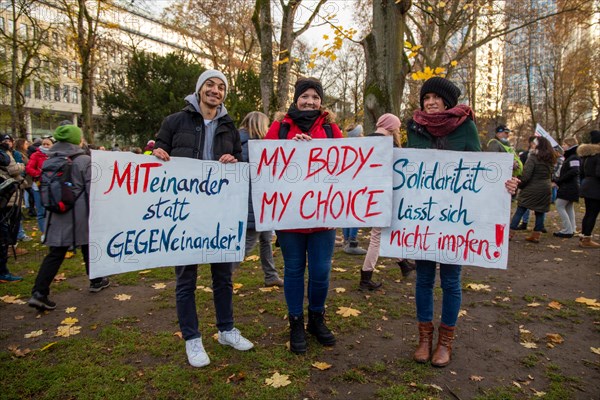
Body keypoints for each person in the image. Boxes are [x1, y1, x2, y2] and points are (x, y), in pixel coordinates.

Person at [406, 77, 518, 368]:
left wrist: (503, 184)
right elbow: (405, 170)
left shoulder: (464, 126)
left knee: (451, 280)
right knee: (424, 279)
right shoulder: (414, 126)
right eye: (425, 97)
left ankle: (445, 342)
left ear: (447, 101)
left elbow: (481, 170)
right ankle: (424, 339)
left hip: (456, 218)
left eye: (435, 97)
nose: (430, 102)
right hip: (424, 217)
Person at [153, 69, 253, 368]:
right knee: (186, 279)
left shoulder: (230, 127)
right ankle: (192, 339)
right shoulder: (175, 121)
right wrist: (157, 153)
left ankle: (226, 330)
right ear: (199, 90)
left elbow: (238, 162)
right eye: (210, 85)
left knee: (223, 277)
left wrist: (234, 160)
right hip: (184, 214)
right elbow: (159, 151)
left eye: (221, 87)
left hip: (219, 213)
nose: (215, 90)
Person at [265, 77, 343, 354]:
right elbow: (266, 162)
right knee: (295, 271)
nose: (310, 101)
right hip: (290, 216)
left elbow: (345, 166)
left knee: (321, 271)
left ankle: (317, 318)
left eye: (315, 97)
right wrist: (290, 150)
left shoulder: (332, 129)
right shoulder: (281, 127)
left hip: (324, 217)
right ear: (296, 99)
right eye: (305, 96)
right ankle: (296, 321)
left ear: (321, 101)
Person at [27, 125, 111, 310]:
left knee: (56, 253)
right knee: (88, 244)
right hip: (78, 213)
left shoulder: (49, 159)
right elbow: (92, 190)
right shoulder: (84, 160)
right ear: (76, 140)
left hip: (55, 213)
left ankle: (40, 291)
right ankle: (94, 281)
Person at [359, 113, 414, 291]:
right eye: (397, 127)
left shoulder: (366, 141)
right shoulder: (388, 145)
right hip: (384, 195)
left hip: (369, 194)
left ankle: (403, 264)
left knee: (388, 231)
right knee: (376, 236)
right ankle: (365, 278)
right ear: (392, 127)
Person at [236, 111, 283, 287]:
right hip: (254, 204)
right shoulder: (253, 147)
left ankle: (271, 276)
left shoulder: (239, 143)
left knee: (265, 240)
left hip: (259, 203)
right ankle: (223, 277)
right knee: (247, 244)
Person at [509, 136, 557, 243]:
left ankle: (509, 234)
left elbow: (526, 175)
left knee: (520, 210)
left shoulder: (533, 157)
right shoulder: (551, 158)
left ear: (538, 145)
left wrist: (519, 184)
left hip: (532, 188)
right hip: (545, 187)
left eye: (534, 143)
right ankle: (536, 236)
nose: (532, 145)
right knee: (540, 212)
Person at [341, 124, 368, 255]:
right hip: (357, 184)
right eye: (361, 133)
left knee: (346, 212)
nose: (363, 135)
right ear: (357, 135)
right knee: (356, 212)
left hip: (345, 185)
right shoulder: (360, 148)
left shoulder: (345, 148)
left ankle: (346, 240)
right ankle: (352, 241)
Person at [0, 136, 24, 282]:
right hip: (4, 200)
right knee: (3, 235)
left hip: (5, 199)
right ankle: (2, 272)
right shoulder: (5, 155)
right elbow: (13, 167)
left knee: (5, 231)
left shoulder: (8, 153)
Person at [577, 130, 600, 248]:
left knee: (588, 213)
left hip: (587, 185)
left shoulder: (587, 156)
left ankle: (583, 236)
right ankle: (587, 238)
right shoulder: (598, 155)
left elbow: (581, 172)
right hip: (596, 187)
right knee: (592, 213)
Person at [553, 137, 580, 238]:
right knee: (569, 208)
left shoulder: (573, 157)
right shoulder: (572, 157)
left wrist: (560, 180)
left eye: (564, 144)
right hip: (571, 186)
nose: (563, 146)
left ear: (569, 144)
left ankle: (567, 230)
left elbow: (574, 171)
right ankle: (572, 228)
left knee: (559, 205)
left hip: (569, 186)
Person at [25, 138, 53, 234]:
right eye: (44, 144)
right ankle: (44, 232)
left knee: (50, 210)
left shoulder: (55, 155)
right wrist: (38, 174)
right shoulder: (36, 155)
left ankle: (51, 231)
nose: (45, 146)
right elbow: (29, 168)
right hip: (38, 185)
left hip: (52, 186)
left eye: (47, 144)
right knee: (41, 211)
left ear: (52, 145)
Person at [515, 136, 537, 230]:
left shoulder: (536, 156)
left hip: (532, 183)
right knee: (529, 206)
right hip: (532, 183)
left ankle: (537, 225)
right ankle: (529, 224)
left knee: (524, 206)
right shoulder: (525, 155)